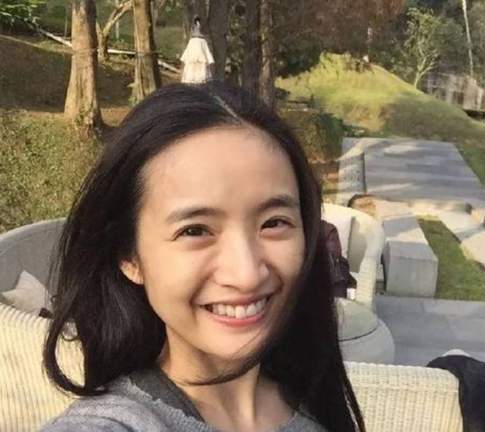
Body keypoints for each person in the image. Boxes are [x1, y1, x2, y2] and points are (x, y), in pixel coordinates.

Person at [41, 83, 365, 432]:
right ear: (128, 255)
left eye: (274, 223)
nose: (246, 275)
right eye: (195, 230)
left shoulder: (314, 400)